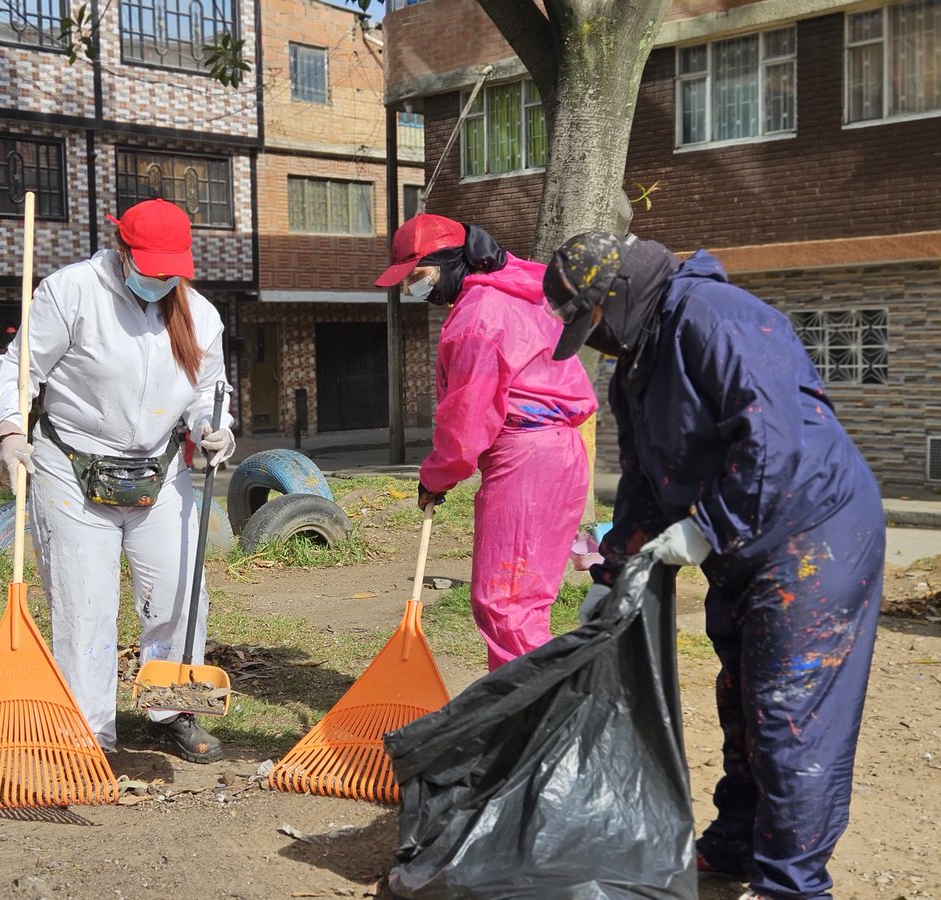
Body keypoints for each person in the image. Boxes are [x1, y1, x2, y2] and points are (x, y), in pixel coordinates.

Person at [544, 232, 885, 900]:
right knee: (743, 702)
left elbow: (780, 445)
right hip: (744, 545)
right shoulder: (640, 360)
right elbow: (643, 479)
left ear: (616, 296)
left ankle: (792, 886)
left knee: (791, 719)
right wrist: (615, 573)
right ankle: (735, 846)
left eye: (592, 324)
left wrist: (705, 529)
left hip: (813, 536)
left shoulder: (713, 317)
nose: (596, 342)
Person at [0, 199, 236, 763]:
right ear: (122, 251)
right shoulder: (69, 292)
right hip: (71, 465)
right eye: (150, 268)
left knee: (178, 593)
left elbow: (207, 393)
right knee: (85, 601)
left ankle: (173, 708)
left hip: (159, 466)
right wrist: (9, 430)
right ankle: (87, 729)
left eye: (170, 270)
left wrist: (213, 429)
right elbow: (19, 368)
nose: (159, 280)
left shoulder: (200, 314)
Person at [374, 214, 598, 670]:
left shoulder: (476, 319)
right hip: (561, 455)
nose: (418, 289)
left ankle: (526, 723)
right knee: (527, 601)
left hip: (526, 459)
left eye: (420, 276)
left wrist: (436, 476)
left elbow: (467, 422)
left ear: (452, 261)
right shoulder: (521, 291)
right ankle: (524, 713)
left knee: (505, 604)